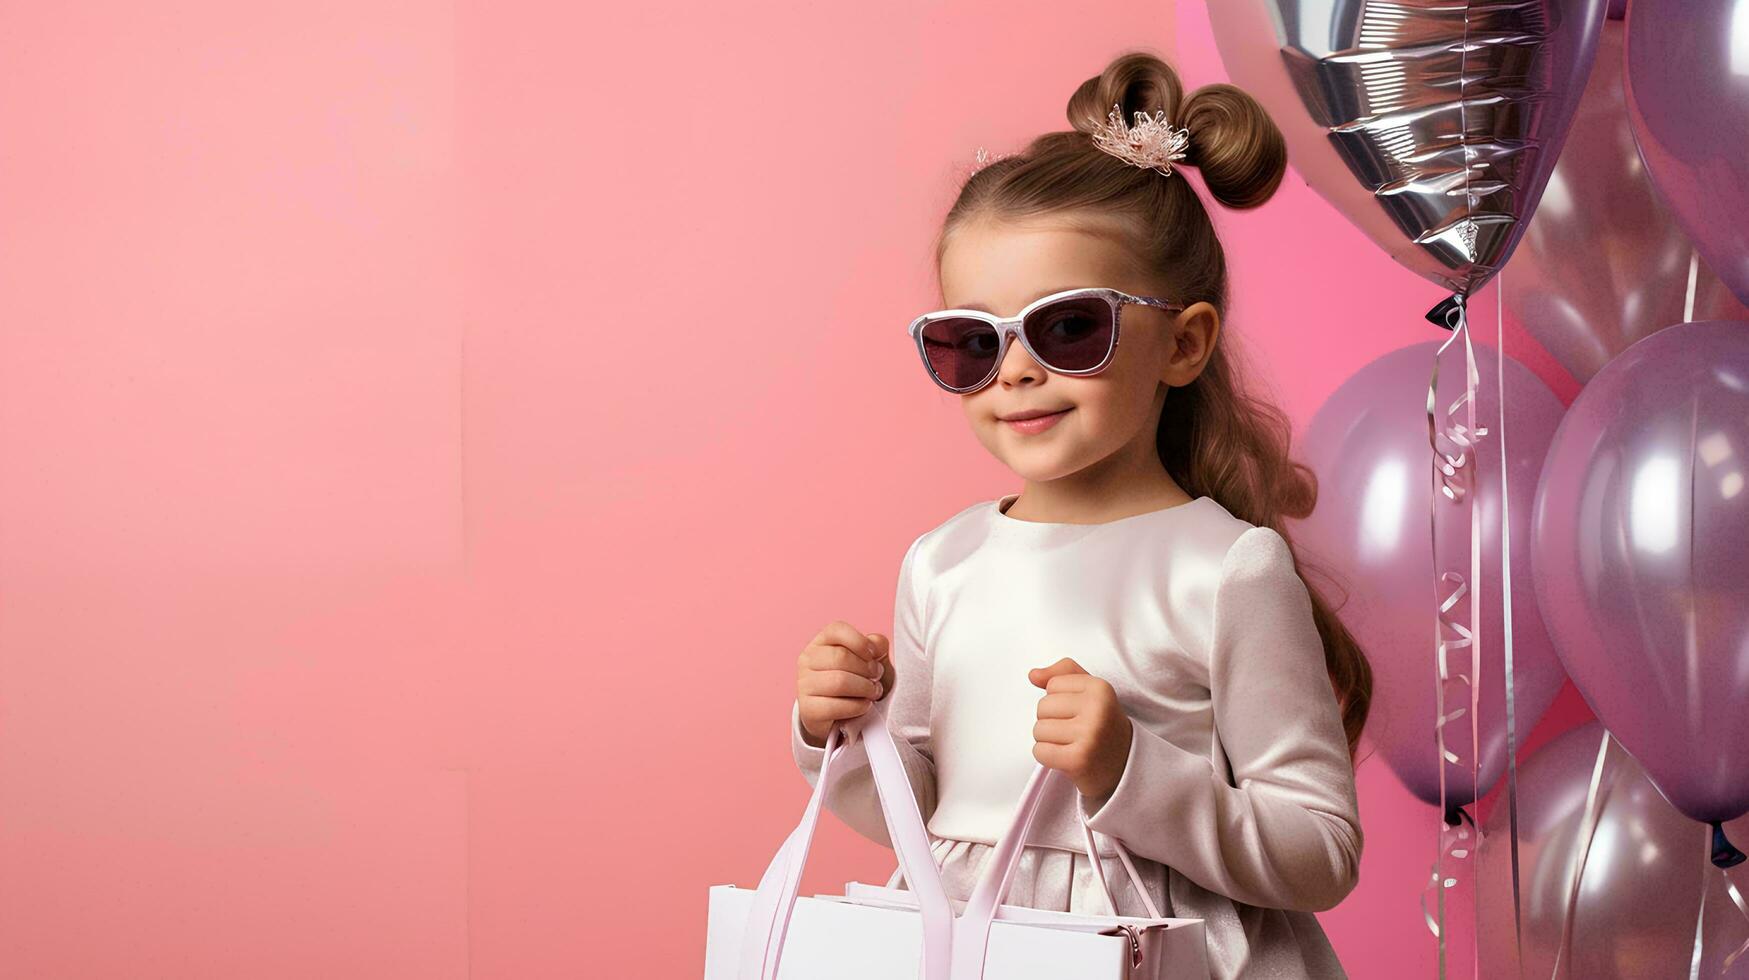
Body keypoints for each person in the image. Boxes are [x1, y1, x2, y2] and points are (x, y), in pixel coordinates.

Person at [789, 49, 1372, 980]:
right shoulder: (941, 563)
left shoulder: (1225, 569)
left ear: (1182, 344)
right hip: (967, 951)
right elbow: (919, 813)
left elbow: (1319, 851)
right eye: (969, 342)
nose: (1014, 371)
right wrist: (845, 733)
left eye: (1068, 328)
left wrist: (1129, 772)